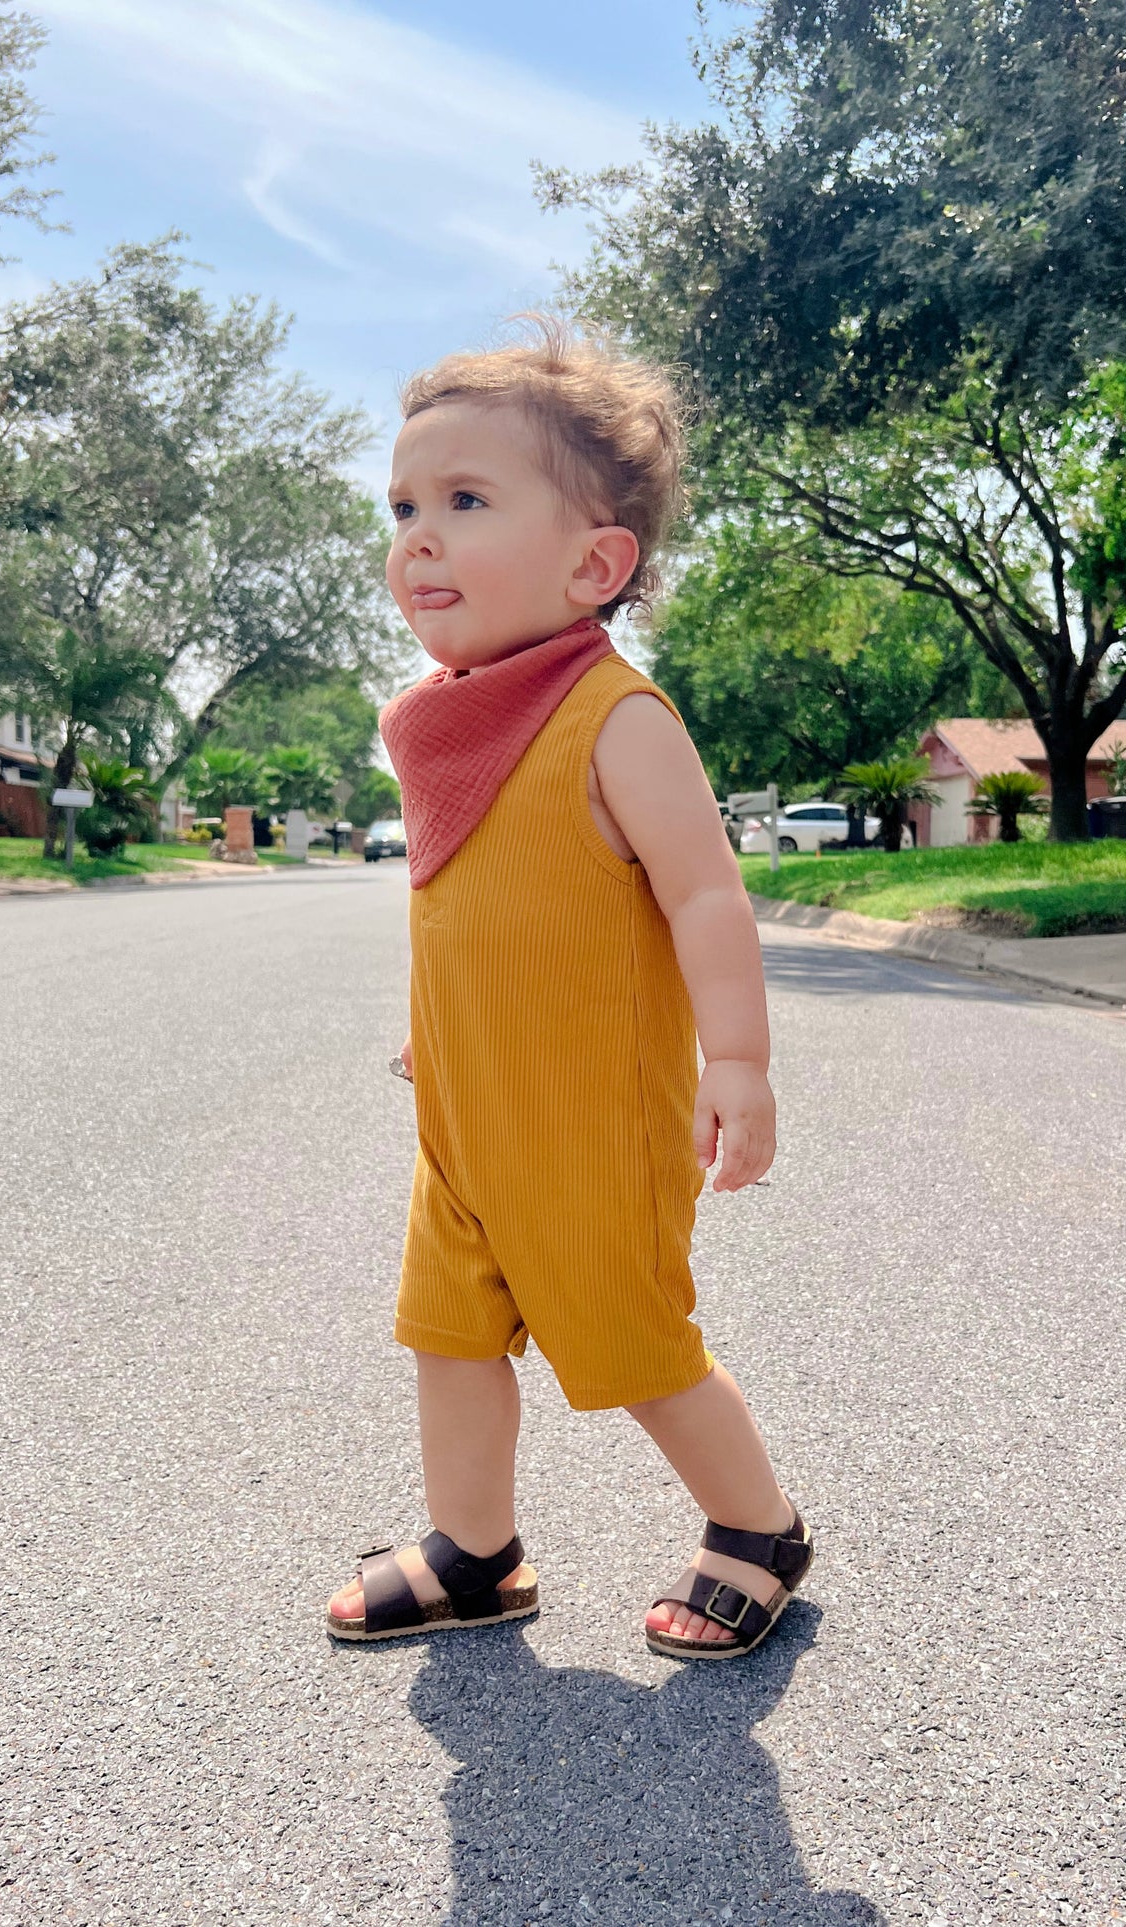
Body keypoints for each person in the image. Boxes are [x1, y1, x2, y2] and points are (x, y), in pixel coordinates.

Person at [325, 320, 812, 1660]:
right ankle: (473, 1550)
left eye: (465, 502)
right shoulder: (451, 719)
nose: (418, 538)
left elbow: (705, 896)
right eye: (403, 508)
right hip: (467, 1122)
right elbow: (472, 906)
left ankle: (758, 1525)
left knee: (632, 1340)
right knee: (447, 1332)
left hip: (591, 1124)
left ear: (594, 564)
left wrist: (739, 1063)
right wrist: (436, 1030)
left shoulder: (615, 719)